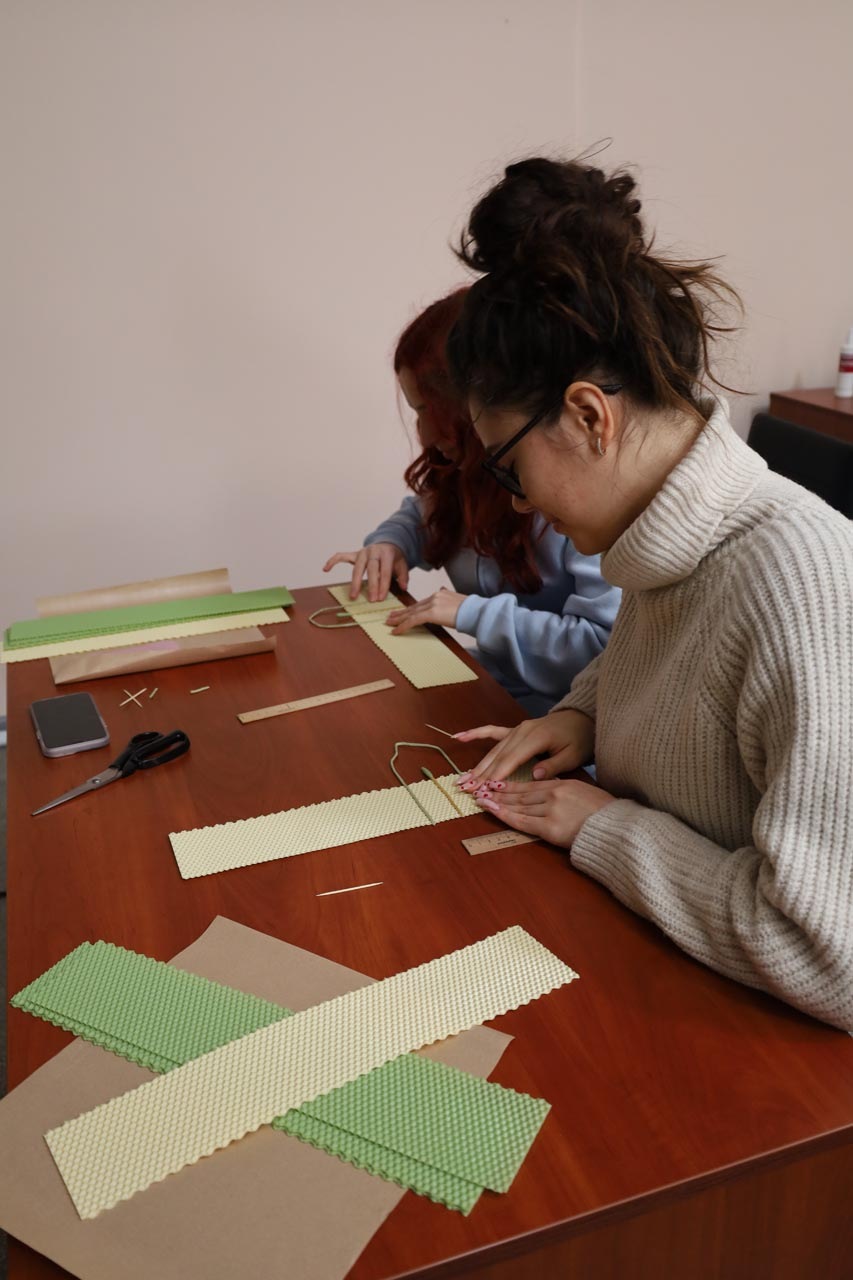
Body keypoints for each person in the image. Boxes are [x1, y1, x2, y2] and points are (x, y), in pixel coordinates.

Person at [448, 157, 853, 1032]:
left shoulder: (799, 579)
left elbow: (829, 956)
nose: (515, 502)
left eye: (508, 467)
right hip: (666, 971)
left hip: (770, 1053)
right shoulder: (661, 538)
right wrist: (584, 713)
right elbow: (667, 656)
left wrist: (601, 829)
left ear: (589, 416)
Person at [323, 289, 621, 716]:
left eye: (427, 409)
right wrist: (389, 543)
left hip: (570, 719)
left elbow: (606, 653)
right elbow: (419, 515)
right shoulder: (463, 479)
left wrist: (472, 613)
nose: (424, 433)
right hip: (492, 690)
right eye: (415, 411)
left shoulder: (577, 500)